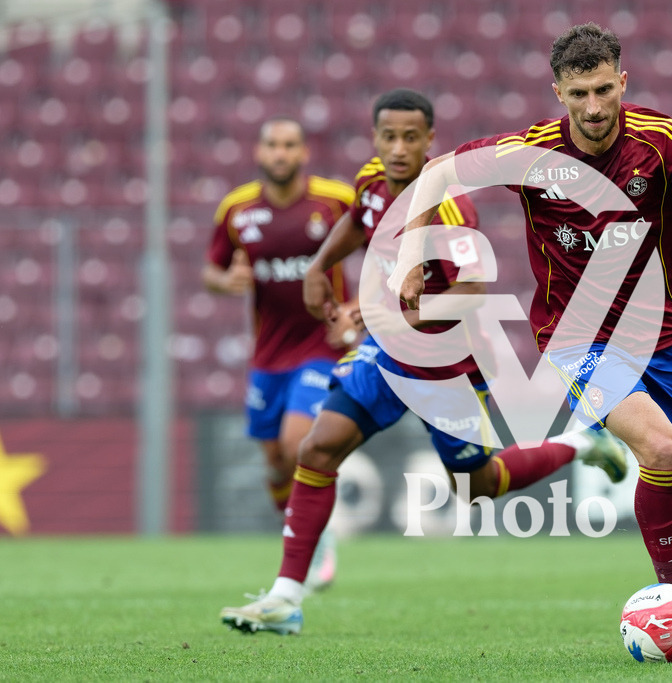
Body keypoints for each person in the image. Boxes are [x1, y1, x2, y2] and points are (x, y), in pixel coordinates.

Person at [219, 89, 627, 635]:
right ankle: (286, 598)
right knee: (317, 449)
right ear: (375, 138)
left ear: (429, 140)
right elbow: (360, 221)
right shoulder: (369, 179)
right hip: (385, 356)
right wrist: (320, 265)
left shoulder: (450, 205)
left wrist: (397, 319)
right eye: (388, 136)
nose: (398, 147)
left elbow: (474, 290)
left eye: (411, 137)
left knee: (475, 485)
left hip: (447, 368)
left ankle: (582, 442)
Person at [392, 25, 672, 649]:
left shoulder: (661, 141)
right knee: (658, 452)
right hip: (575, 336)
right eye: (579, 93)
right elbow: (436, 175)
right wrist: (412, 255)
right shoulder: (530, 151)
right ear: (559, 92)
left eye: (604, 89)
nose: (594, 107)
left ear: (622, 82)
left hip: (663, 333)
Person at [204, 117, 356, 591]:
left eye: (290, 145)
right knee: (273, 461)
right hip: (268, 354)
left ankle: (317, 540)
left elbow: (385, 245)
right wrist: (226, 281)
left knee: (298, 444)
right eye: (273, 145)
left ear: (304, 152)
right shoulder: (236, 209)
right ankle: (299, 529)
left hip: (321, 346)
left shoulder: (336, 201)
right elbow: (212, 269)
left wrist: (357, 307)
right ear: (260, 151)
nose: (281, 153)